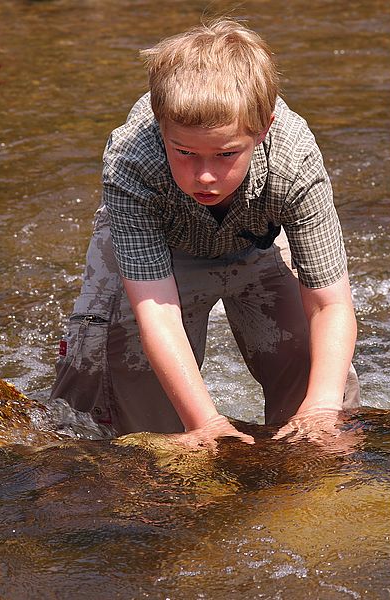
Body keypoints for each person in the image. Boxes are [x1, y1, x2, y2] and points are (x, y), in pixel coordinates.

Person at [50, 18, 360, 447]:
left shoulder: (295, 159)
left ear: (264, 129)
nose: (206, 176)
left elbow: (330, 304)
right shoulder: (131, 161)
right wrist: (205, 424)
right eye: (185, 153)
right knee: (122, 413)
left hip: (259, 237)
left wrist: (322, 407)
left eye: (227, 154)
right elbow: (156, 312)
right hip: (163, 247)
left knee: (319, 382)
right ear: (161, 127)